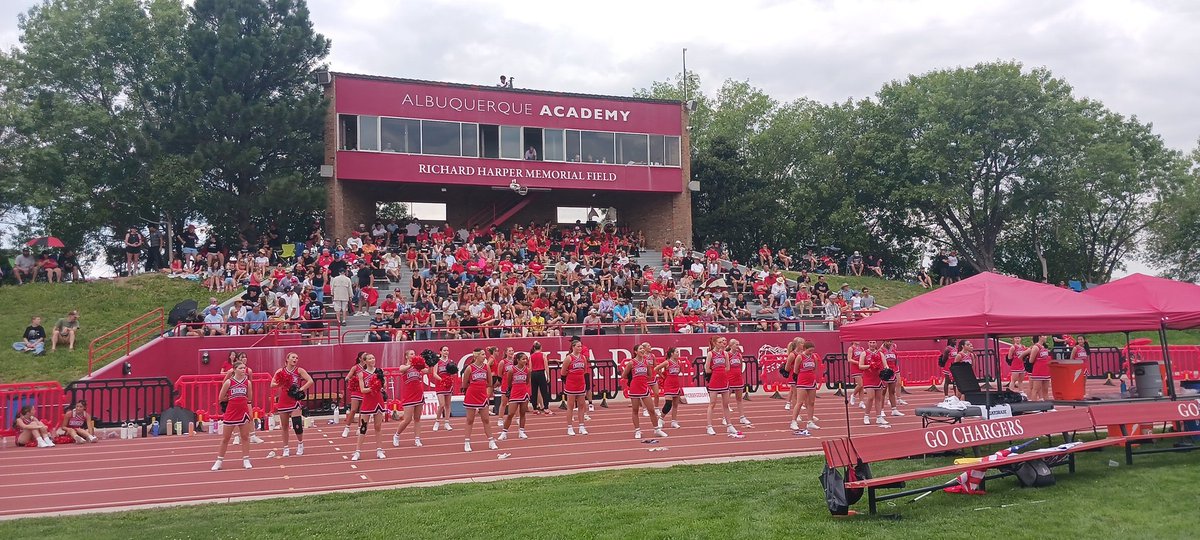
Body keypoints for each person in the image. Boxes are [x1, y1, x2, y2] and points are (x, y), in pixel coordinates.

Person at [392, 350, 441, 448]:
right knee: (407, 419)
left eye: (414, 354)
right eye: (411, 354)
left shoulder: (418, 367)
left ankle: (417, 439)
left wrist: (431, 364)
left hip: (419, 395)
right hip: (408, 396)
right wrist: (412, 364)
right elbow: (401, 369)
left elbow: (429, 371)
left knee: (417, 419)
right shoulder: (404, 366)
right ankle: (396, 435)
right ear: (406, 356)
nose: (413, 355)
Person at [269, 352, 313, 458]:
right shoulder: (280, 371)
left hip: (294, 400)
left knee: (297, 423)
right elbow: (272, 384)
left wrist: (300, 389)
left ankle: (300, 444)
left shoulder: (299, 370)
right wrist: (280, 384)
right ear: (287, 359)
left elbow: (310, 381)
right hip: (283, 400)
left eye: (297, 358)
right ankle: (286, 448)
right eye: (293, 357)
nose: (295, 359)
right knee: (284, 426)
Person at [622, 343, 669, 439]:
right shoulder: (631, 363)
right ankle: (637, 430)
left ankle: (657, 429)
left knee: (651, 410)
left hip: (644, 388)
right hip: (634, 389)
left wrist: (642, 379)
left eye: (643, 349)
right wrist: (633, 379)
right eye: (640, 349)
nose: (642, 350)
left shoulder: (646, 362)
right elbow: (624, 375)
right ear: (635, 352)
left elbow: (650, 375)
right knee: (635, 410)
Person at [212, 363, 254, 470]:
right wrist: (231, 397)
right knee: (225, 438)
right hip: (231, 412)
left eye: (244, 368)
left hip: (243, 412)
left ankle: (246, 459)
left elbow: (249, 397)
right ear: (234, 370)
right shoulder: (229, 382)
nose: (243, 370)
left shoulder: (247, 382)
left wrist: (248, 408)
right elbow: (221, 397)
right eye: (240, 368)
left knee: (245, 436)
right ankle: (219, 461)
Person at [460, 348, 499, 452]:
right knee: (470, 420)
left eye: (484, 354)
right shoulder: (469, 368)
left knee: (486, 419)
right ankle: (467, 442)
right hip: (471, 395)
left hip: (482, 395)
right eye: (482, 354)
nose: (485, 356)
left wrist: (482, 388)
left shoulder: (486, 367)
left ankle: (491, 441)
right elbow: (464, 384)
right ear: (476, 356)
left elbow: (490, 382)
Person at [352, 353, 387, 461]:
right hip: (367, 402)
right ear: (365, 361)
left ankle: (379, 450)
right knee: (363, 427)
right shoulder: (361, 374)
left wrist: (381, 384)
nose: (372, 360)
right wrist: (373, 387)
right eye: (370, 358)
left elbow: (384, 385)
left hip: (378, 401)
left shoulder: (379, 371)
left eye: (373, 358)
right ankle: (357, 452)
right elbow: (362, 390)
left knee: (378, 427)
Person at [703, 335, 736, 435]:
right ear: (714, 343)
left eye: (723, 342)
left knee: (726, 404)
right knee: (712, 404)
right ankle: (709, 426)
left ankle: (729, 425)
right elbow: (707, 369)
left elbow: (728, 368)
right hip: (714, 381)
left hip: (724, 380)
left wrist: (721, 371)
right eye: (720, 342)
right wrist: (716, 371)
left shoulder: (725, 353)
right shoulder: (710, 354)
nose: (722, 344)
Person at [855, 340, 890, 428]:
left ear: (876, 343)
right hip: (868, 378)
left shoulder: (880, 354)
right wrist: (870, 366)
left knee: (879, 398)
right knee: (870, 397)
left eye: (874, 342)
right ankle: (866, 416)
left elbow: (885, 365)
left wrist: (887, 371)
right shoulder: (864, 353)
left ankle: (879, 417)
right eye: (870, 342)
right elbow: (860, 366)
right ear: (868, 343)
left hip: (878, 378)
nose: (872, 344)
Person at [498, 352, 532, 440]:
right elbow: (509, 383)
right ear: (518, 360)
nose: (525, 361)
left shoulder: (527, 370)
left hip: (524, 393)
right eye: (523, 359)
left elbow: (527, 381)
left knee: (522, 413)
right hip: (514, 393)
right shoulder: (512, 370)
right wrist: (511, 390)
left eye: (526, 359)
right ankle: (504, 432)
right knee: (510, 414)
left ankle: (521, 431)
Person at [560, 338, 591, 436]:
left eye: (581, 346)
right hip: (571, 384)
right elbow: (563, 372)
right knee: (570, 406)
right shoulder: (569, 358)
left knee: (581, 405)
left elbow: (584, 370)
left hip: (581, 384)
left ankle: (581, 426)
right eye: (578, 346)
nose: (580, 348)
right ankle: (570, 427)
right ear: (573, 347)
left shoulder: (583, 358)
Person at [789, 342, 821, 431]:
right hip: (802, 381)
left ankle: (810, 422)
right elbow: (795, 370)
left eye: (812, 351)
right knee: (799, 402)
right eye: (809, 350)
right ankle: (793, 421)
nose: (811, 352)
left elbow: (815, 368)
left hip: (811, 381)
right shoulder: (800, 357)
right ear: (805, 349)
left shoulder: (814, 357)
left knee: (811, 402)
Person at [654, 347, 685, 428]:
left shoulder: (679, 362)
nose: (678, 353)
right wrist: (662, 376)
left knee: (675, 405)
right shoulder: (667, 362)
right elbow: (656, 369)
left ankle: (674, 421)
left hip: (676, 384)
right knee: (668, 404)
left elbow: (679, 371)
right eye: (676, 352)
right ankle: (660, 419)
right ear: (672, 353)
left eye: (678, 352)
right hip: (668, 384)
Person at [726, 338, 751, 426]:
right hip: (730, 379)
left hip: (738, 379)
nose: (738, 346)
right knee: (726, 400)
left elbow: (740, 366)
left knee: (739, 399)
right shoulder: (727, 355)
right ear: (731, 345)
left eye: (738, 344)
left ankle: (742, 417)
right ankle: (725, 418)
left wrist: (739, 374)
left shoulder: (739, 355)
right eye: (736, 344)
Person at [341, 352, 366, 438]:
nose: (366, 357)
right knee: (353, 410)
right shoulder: (355, 367)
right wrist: (351, 379)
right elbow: (347, 377)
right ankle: (347, 428)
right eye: (364, 356)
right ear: (360, 358)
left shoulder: (368, 367)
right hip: (356, 391)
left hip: (364, 390)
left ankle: (359, 428)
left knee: (362, 411)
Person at [432, 346, 456, 431]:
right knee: (442, 404)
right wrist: (442, 380)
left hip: (448, 385)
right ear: (440, 352)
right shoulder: (437, 361)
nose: (446, 352)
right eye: (444, 350)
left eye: (447, 350)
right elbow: (434, 374)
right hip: (440, 385)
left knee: (448, 405)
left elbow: (453, 373)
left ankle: (447, 422)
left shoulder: (450, 361)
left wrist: (453, 373)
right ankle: (437, 421)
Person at [881, 341, 905, 417]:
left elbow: (896, 362)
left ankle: (894, 409)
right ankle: (881, 410)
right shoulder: (881, 350)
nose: (889, 343)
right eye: (887, 341)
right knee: (883, 392)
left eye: (890, 341)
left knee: (892, 391)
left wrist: (896, 371)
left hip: (892, 372)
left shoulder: (894, 351)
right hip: (884, 373)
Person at [528, 341, 552, 415]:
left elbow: (530, 368)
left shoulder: (531, 356)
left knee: (534, 391)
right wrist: (548, 376)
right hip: (541, 373)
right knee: (544, 391)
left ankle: (535, 408)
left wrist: (530, 377)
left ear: (534, 348)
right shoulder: (543, 355)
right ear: (541, 347)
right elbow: (546, 366)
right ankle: (546, 408)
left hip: (534, 373)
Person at [1027, 335, 1052, 401]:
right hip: (1038, 371)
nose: (1046, 337)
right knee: (1036, 389)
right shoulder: (1036, 347)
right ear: (1039, 337)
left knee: (1045, 390)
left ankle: (1047, 405)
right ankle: (1034, 405)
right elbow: (1031, 360)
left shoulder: (1044, 347)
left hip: (1046, 371)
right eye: (1044, 336)